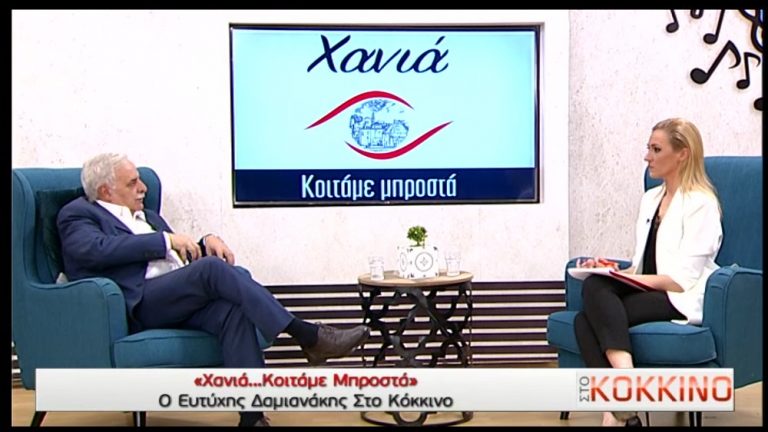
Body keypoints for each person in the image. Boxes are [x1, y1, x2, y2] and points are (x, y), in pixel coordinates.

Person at [57, 153, 371, 427]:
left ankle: (251, 417)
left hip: (174, 297)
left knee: (232, 312)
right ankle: (306, 335)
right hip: (141, 302)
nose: (143, 188)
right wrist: (166, 240)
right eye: (133, 183)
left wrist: (205, 242)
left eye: (140, 180)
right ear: (106, 190)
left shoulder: (147, 216)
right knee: (211, 270)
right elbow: (95, 250)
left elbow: (177, 254)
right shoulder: (78, 214)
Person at [573, 118, 722, 427]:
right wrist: (612, 270)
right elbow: (643, 265)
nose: (647, 157)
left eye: (656, 149)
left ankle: (618, 405)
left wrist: (625, 279)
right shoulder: (651, 198)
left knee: (585, 320)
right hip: (651, 287)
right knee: (594, 288)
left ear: (682, 154)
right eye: (648, 148)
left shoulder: (702, 204)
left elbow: (681, 280)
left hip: (679, 296)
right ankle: (624, 406)